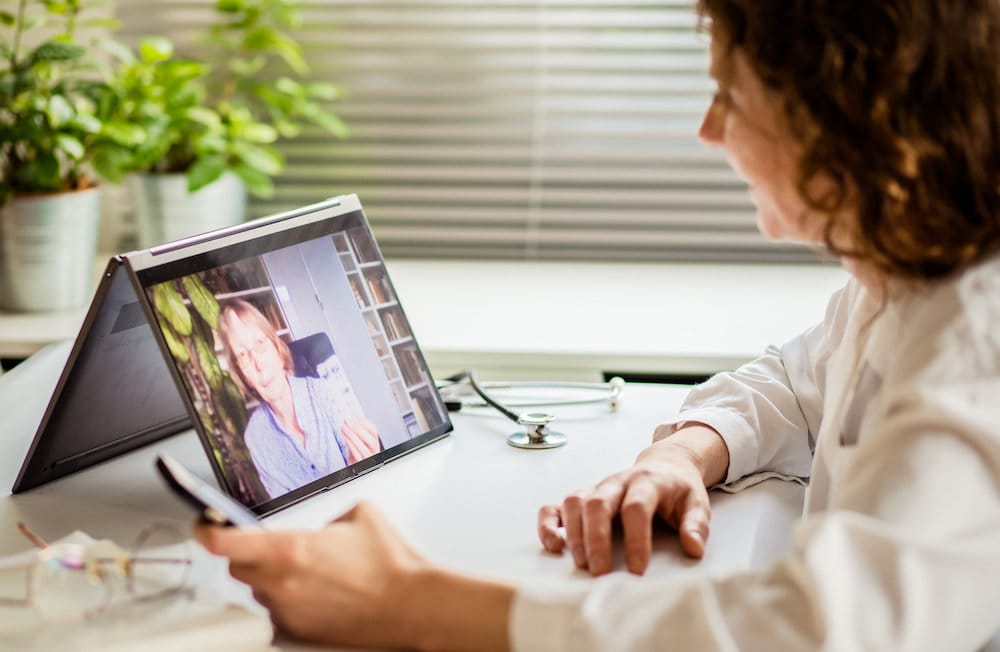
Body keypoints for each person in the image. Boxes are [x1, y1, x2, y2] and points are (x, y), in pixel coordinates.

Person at [195, 0, 1000, 649]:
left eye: (731, 98)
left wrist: (413, 604)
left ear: (844, 125)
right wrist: (683, 453)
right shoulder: (901, 272)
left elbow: (811, 633)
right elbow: (798, 385)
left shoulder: (973, 352)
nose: (708, 130)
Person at [217, 299, 382, 499]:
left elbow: (366, 482)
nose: (258, 365)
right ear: (241, 375)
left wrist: (365, 466)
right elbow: (287, 509)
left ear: (277, 348)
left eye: (260, 343)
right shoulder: (255, 436)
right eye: (242, 355)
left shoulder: (323, 391)